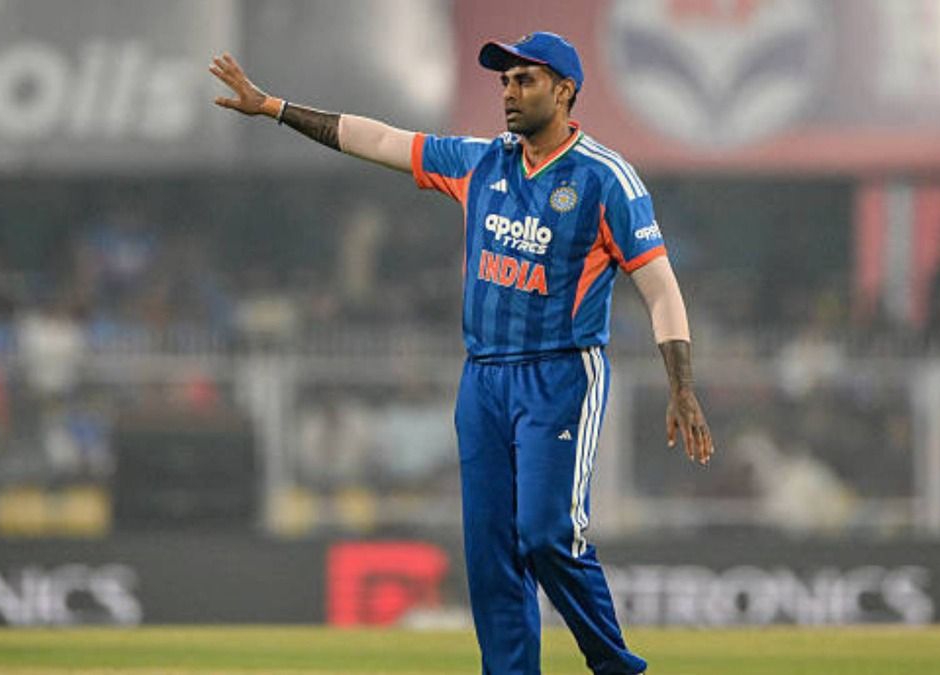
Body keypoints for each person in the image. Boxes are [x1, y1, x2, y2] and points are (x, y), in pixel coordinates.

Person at [210, 31, 714, 675]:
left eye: (524, 80)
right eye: (504, 81)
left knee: (547, 535)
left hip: (561, 376)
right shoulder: (483, 162)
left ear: (564, 91)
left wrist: (682, 385)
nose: (508, 92)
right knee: (491, 553)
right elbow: (383, 141)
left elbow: (660, 286)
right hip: (483, 381)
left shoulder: (605, 179)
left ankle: (615, 666)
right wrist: (274, 107)